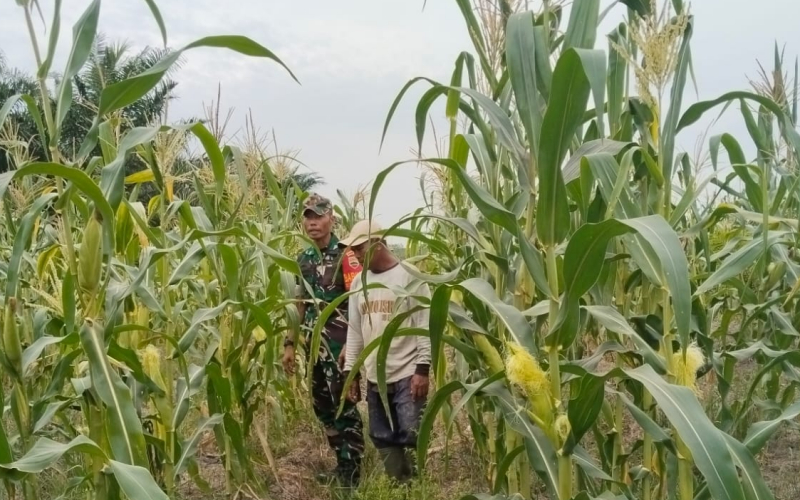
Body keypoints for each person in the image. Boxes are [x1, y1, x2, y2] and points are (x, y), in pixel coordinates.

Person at [339, 219, 432, 484]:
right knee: (381, 435)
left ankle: (417, 486)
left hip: (407, 373)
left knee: (411, 432)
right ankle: (399, 485)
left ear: (377, 244)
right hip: (375, 375)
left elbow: (424, 325)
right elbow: (355, 331)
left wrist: (422, 370)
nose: (354, 254)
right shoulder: (359, 283)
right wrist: (351, 375)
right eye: (352, 249)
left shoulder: (409, 275)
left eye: (359, 247)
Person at [282, 193, 365, 487]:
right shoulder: (303, 260)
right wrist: (290, 344)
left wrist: (352, 348)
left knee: (344, 405)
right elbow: (299, 304)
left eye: (318, 216)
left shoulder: (346, 255)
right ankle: (341, 461)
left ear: (331, 218)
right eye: (308, 216)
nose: (312, 222)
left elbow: (359, 302)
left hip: (340, 346)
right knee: (322, 406)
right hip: (314, 348)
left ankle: (352, 471)